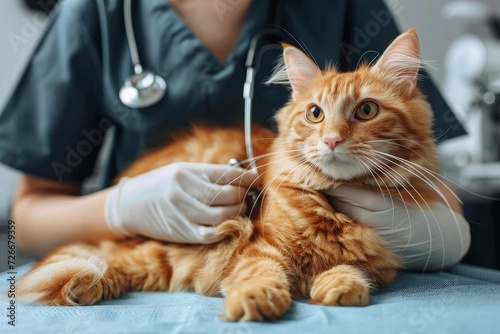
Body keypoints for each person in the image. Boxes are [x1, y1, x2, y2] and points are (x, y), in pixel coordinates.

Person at [0, 0, 470, 271]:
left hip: (315, 269)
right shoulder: (96, 12)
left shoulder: (338, 5)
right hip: (156, 266)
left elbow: (423, 170)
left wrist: (430, 228)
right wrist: (122, 209)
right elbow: (24, 221)